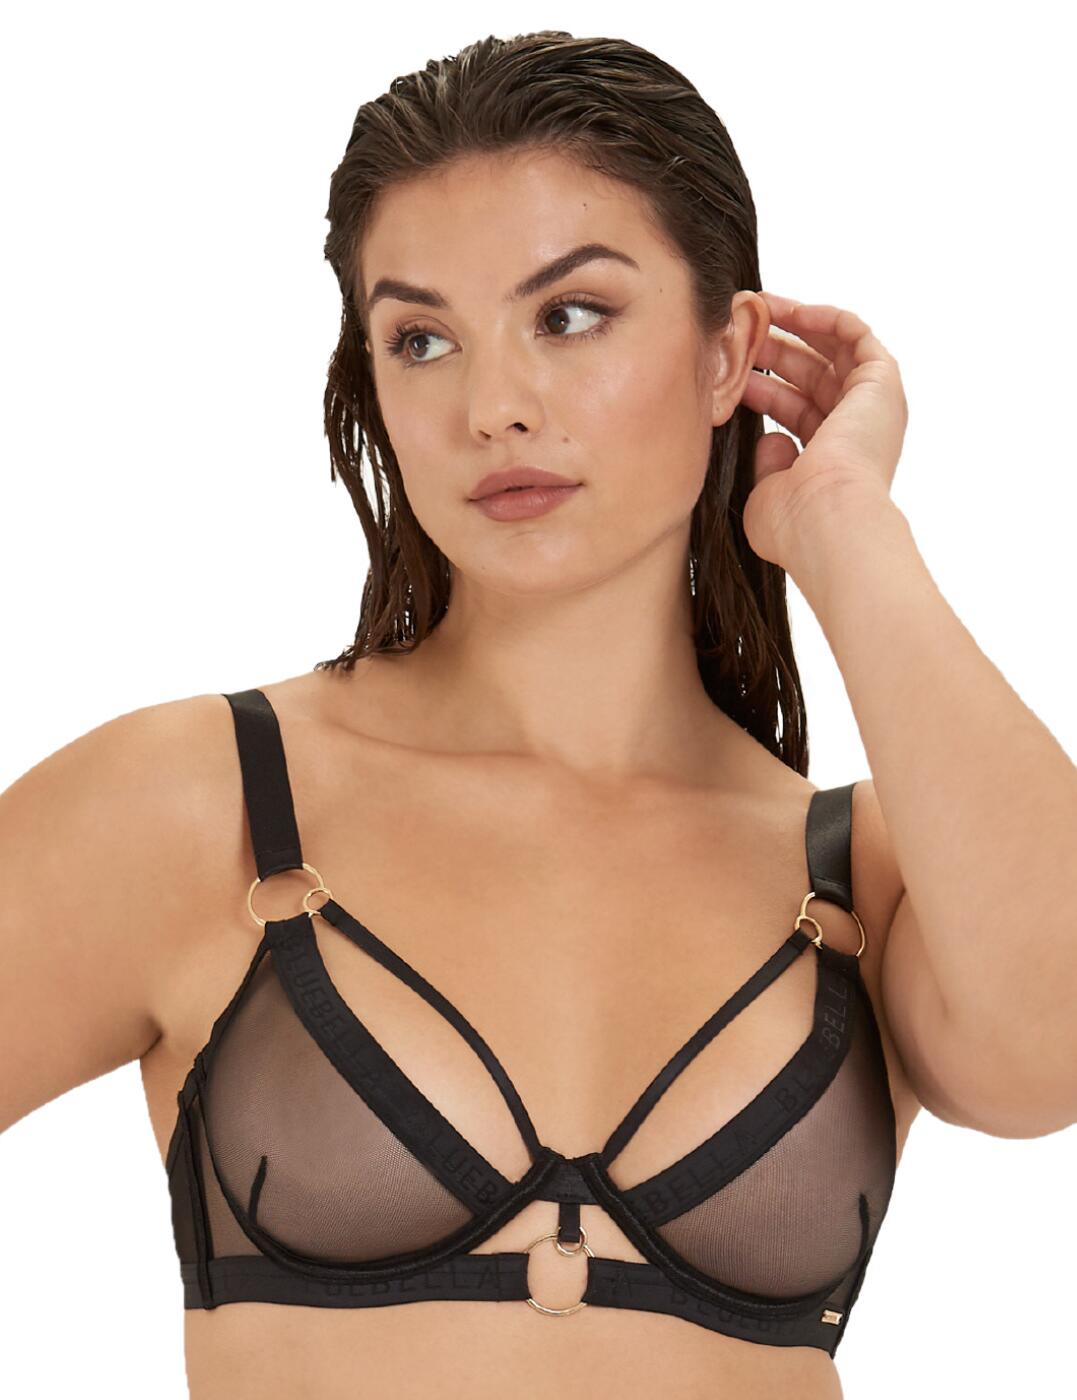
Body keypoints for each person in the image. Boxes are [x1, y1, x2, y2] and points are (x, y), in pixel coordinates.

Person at [2, 29, 1074, 1400]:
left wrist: (843, 525)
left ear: (727, 353)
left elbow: (1050, 1055)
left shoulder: (866, 874)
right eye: (422, 339)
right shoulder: (196, 802)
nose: (494, 407)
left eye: (569, 315)